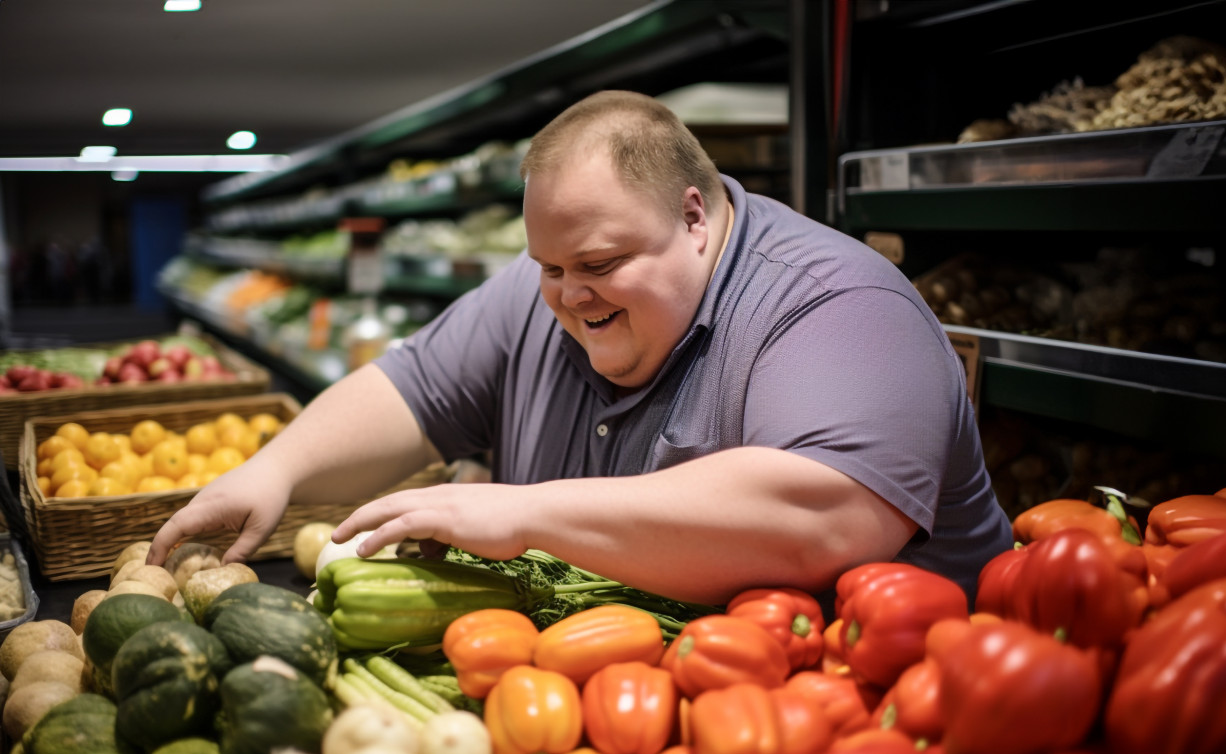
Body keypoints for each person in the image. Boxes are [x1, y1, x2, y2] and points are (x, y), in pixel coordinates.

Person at [149, 90, 1011, 604]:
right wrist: (276, 471)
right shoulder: (548, 290)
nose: (566, 294)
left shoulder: (837, 304)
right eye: (548, 265)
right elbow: (413, 390)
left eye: (598, 263)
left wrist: (522, 513)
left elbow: (826, 514)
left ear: (694, 216)